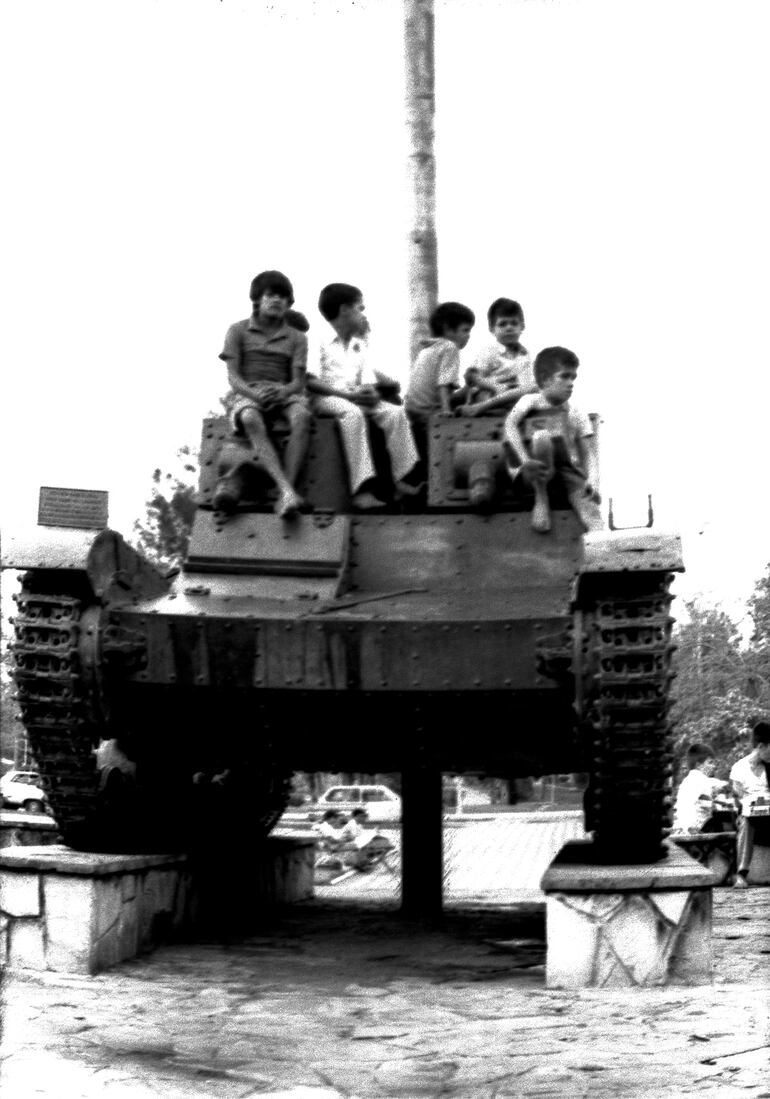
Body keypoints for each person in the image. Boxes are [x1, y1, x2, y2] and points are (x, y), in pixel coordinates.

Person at [308, 283, 420, 509]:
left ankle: (400, 481)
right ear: (344, 309)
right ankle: (360, 491)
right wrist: (346, 395)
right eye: (360, 308)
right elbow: (310, 381)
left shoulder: (358, 344)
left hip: (352, 397)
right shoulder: (316, 339)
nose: (363, 314)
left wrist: (371, 394)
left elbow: (367, 380)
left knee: (395, 413)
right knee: (353, 415)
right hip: (325, 398)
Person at [216, 270, 311, 519]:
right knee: (249, 418)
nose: (277, 301)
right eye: (271, 295)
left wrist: (283, 392)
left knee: (302, 417)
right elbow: (234, 378)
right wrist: (255, 396)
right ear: (257, 299)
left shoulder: (297, 338)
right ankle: (286, 489)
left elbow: (298, 381)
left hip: (284, 393)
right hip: (250, 392)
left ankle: (285, 493)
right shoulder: (237, 331)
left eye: (283, 297)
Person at [503, 346, 603, 534]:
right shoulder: (529, 401)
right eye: (564, 376)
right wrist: (525, 460)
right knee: (541, 437)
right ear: (545, 379)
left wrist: (593, 481)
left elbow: (589, 452)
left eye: (573, 377)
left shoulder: (576, 412)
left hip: (565, 471)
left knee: (591, 513)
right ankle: (541, 498)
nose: (570, 383)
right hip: (534, 469)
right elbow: (510, 425)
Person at [461, 298, 538, 416]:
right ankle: (479, 408)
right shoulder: (490, 351)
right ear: (492, 329)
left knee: (537, 387)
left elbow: (526, 384)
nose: (509, 327)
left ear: (522, 326)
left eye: (514, 323)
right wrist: (495, 386)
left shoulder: (525, 354)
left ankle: (504, 411)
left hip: (513, 395)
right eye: (503, 324)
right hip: (490, 394)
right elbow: (472, 375)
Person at [405, 301, 475, 424]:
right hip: (427, 412)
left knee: (468, 391)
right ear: (448, 329)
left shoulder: (429, 347)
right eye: (465, 330)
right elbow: (443, 383)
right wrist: (446, 410)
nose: (468, 336)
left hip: (411, 409)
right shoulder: (450, 347)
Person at [729, 720, 770, 888]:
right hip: (750, 816)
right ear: (761, 746)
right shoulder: (739, 768)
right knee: (747, 821)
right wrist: (747, 804)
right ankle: (741, 873)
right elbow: (737, 799)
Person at [672, 743, 730, 833]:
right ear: (699, 765)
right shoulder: (700, 778)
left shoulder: (687, 780)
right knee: (726, 822)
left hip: (683, 826)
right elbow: (724, 785)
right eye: (710, 763)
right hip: (696, 828)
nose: (714, 766)